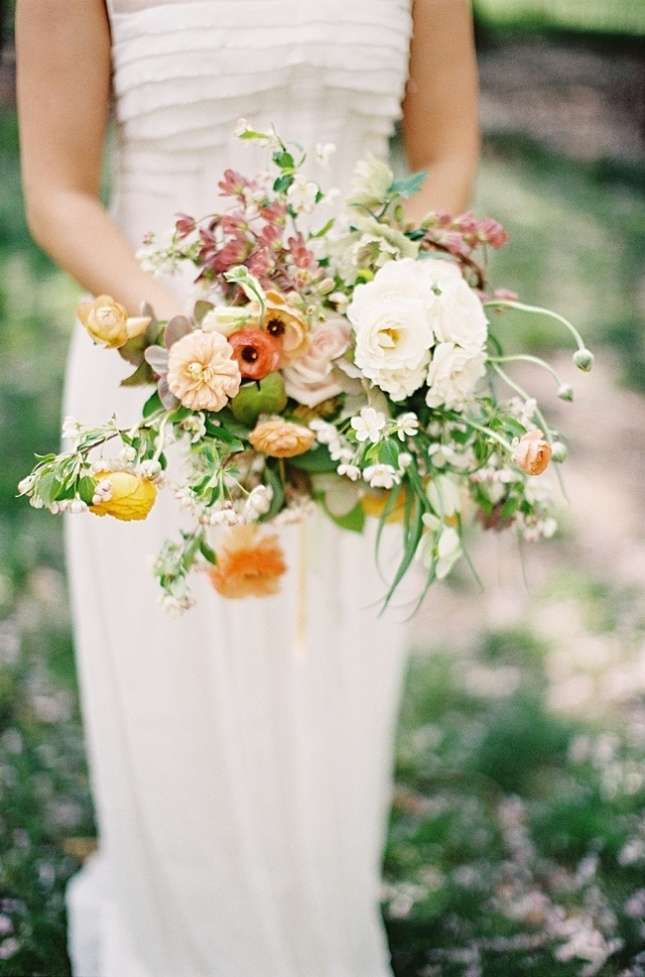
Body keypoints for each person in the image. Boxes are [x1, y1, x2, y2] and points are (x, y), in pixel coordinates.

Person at [16, 2, 479, 975]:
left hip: (356, 380)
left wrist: (373, 310)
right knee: (175, 692)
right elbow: (59, 194)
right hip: (158, 378)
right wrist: (205, 343)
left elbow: (445, 150)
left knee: (330, 687)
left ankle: (314, 935)